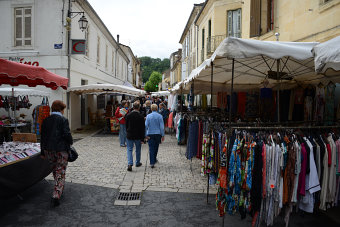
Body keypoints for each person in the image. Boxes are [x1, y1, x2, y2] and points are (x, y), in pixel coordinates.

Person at [40, 100, 73, 207]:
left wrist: (42, 151)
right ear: (61, 109)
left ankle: (58, 187)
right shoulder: (63, 120)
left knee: (55, 169)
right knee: (60, 170)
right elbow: (67, 134)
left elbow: (43, 137)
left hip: (49, 150)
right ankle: (56, 194)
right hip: (61, 150)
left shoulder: (46, 120)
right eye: (63, 109)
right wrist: (70, 141)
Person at [125, 101, 145, 171]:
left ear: (133, 107)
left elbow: (126, 125)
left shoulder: (128, 115)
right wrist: (143, 139)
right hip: (138, 136)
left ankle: (130, 163)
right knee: (138, 149)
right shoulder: (141, 116)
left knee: (129, 149)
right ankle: (137, 162)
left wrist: (127, 132)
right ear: (139, 108)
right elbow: (143, 128)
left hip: (130, 134)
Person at [145, 104, 164, 168]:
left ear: (151, 109)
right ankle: (154, 159)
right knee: (156, 147)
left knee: (151, 148)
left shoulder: (148, 116)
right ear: (157, 108)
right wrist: (163, 135)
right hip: (158, 134)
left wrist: (145, 134)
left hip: (150, 133)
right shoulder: (160, 116)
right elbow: (162, 127)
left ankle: (152, 162)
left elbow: (146, 126)